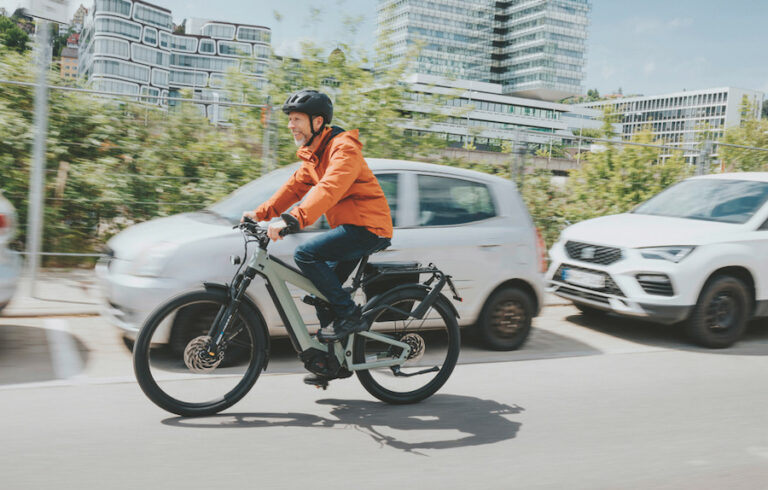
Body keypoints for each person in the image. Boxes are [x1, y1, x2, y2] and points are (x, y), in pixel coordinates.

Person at [242, 89, 392, 347]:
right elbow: (293, 188)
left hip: (369, 227)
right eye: (290, 120)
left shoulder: (343, 149)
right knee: (322, 295)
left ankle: (351, 316)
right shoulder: (315, 154)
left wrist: (293, 219)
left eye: (297, 119)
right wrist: (260, 213)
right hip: (350, 227)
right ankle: (330, 359)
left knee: (305, 255)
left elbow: (330, 188)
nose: (291, 126)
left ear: (318, 122)